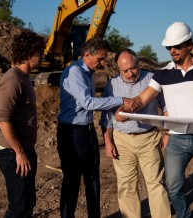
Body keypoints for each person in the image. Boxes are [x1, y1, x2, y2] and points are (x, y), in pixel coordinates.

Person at [117, 22, 193, 218]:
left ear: (189, 44)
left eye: (177, 46)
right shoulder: (163, 74)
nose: (172, 51)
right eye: (168, 47)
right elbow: (140, 100)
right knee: (172, 186)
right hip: (177, 139)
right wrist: (125, 110)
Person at [56, 37, 139, 218]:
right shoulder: (75, 72)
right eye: (100, 59)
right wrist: (121, 100)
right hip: (72, 132)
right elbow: (88, 103)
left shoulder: (88, 73)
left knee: (93, 178)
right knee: (72, 181)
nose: (102, 63)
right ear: (87, 55)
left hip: (87, 131)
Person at [100, 48, 171, 218]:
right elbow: (106, 117)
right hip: (122, 141)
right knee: (126, 185)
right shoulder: (112, 85)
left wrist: (167, 132)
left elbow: (166, 106)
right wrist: (108, 142)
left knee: (156, 183)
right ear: (118, 69)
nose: (130, 73)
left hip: (149, 138)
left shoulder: (152, 79)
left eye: (133, 68)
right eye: (125, 70)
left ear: (138, 63)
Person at [0, 29, 45, 218]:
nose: (43, 55)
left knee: (27, 203)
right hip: (12, 153)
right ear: (28, 53)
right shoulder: (12, 80)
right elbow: (2, 119)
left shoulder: (24, 78)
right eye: (40, 51)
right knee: (18, 207)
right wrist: (19, 152)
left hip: (23, 150)